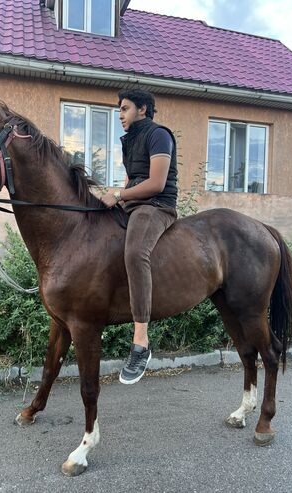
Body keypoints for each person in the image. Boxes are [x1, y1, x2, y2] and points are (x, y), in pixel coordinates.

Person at [101, 89, 178, 385]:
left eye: (125, 109)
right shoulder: (131, 139)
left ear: (143, 109)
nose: (120, 115)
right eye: (120, 110)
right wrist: (115, 198)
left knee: (135, 253)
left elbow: (156, 183)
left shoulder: (159, 135)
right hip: (134, 204)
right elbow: (132, 178)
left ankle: (141, 343)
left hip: (157, 206)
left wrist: (119, 194)